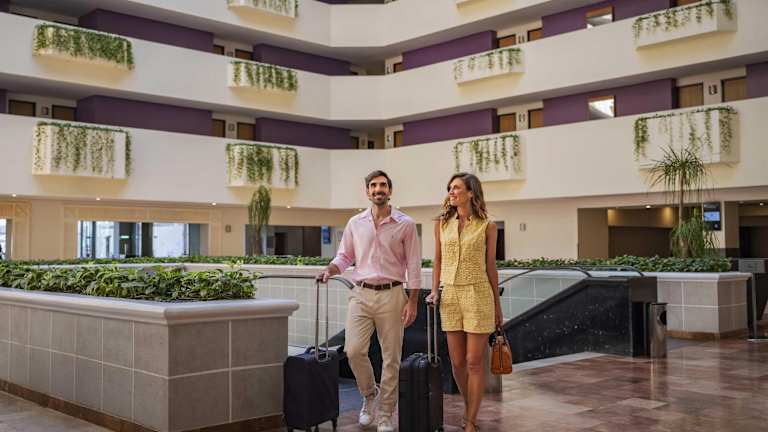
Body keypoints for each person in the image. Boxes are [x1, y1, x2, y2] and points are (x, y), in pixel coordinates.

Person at [318, 170, 422, 432]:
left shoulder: (405, 224)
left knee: (391, 358)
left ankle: (386, 413)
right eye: (373, 186)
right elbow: (345, 256)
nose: (378, 189)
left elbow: (413, 264)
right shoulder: (355, 223)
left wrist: (412, 301)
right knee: (353, 351)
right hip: (361, 293)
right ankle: (369, 394)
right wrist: (330, 269)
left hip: (393, 294)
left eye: (383, 185)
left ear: (390, 190)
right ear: (367, 192)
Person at [426, 172, 502, 432]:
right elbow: (437, 260)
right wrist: (434, 291)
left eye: (456, 187)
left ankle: (470, 420)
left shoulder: (487, 226)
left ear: (471, 192)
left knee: (473, 362)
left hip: (478, 294)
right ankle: (470, 405)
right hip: (450, 295)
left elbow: (490, 267)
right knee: (457, 362)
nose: (451, 192)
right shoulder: (441, 224)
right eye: (450, 188)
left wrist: (497, 306)